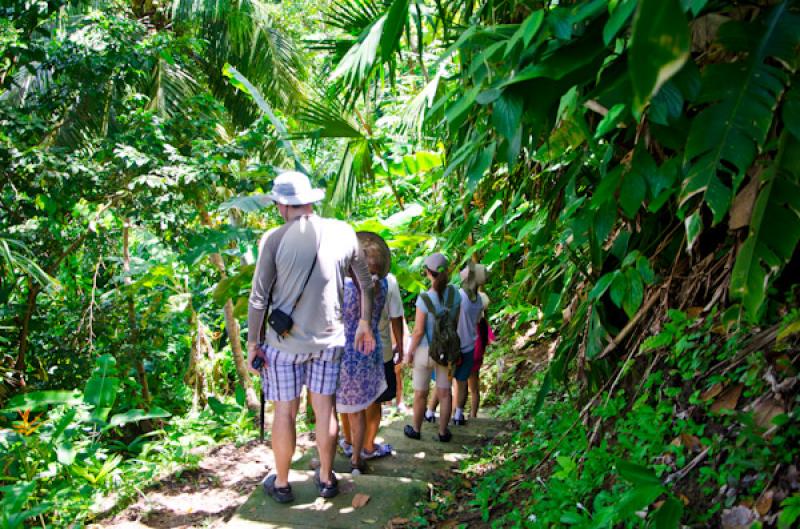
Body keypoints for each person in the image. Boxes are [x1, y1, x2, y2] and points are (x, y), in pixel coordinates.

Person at [247, 171, 375, 503]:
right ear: (310, 200)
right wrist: (363, 323)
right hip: (329, 342)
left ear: (280, 205)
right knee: (325, 411)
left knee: (285, 412)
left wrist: (252, 343)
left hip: (284, 345)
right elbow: (366, 282)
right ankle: (326, 478)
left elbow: (259, 298)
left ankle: (283, 484)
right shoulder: (344, 232)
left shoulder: (273, 239)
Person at [337, 232, 392, 473]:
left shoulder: (346, 288)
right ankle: (357, 458)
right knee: (361, 407)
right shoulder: (383, 285)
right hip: (369, 351)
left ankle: (350, 448)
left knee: (346, 408)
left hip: (344, 352)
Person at [403, 253, 459, 442]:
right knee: (444, 393)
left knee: (420, 393)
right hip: (445, 351)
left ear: (428, 273)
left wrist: (409, 353)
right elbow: (454, 324)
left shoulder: (424, 299)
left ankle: (416, 430)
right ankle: (443, 432)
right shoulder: (455, 295)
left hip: (424, 352)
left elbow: (418, 331)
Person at [452, 262, 488, 425]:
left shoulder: (460, 296)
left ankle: (439, 414)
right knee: (465, 383)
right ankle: (459, 414)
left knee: (454, 384)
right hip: (471, 345)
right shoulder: (478, 301)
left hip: (457, 345)